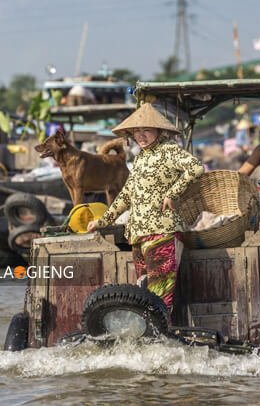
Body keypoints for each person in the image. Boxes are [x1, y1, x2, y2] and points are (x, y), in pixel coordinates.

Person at [87, 103, 204, 314]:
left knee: (160, 295)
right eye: (137, 131)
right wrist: (102, 221)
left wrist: (172, 193)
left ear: (159, 130)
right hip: (138, 235)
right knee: (144, 294)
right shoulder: (141, 156)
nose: (141, 135)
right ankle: (151, 332)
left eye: (146, 130)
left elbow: (196, 167)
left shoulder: (168, 150)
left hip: (162, 232)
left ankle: (161, 332)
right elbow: (126, 195)